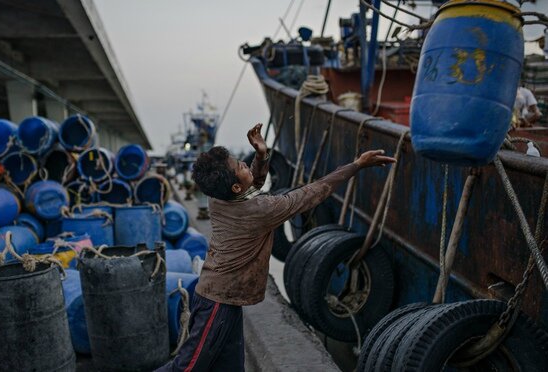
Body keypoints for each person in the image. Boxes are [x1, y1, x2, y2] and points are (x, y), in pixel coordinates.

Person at [155, 123, 395, 372]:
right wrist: (356, 165)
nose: (245, 165)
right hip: (217, 302)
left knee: (230, 366)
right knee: (187, 368)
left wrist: (261, 155)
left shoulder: (218, 198)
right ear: (236, 187)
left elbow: (251, 187)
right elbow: (311, 193)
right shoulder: (260, 211)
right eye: (241, 167)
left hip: (226, 298)